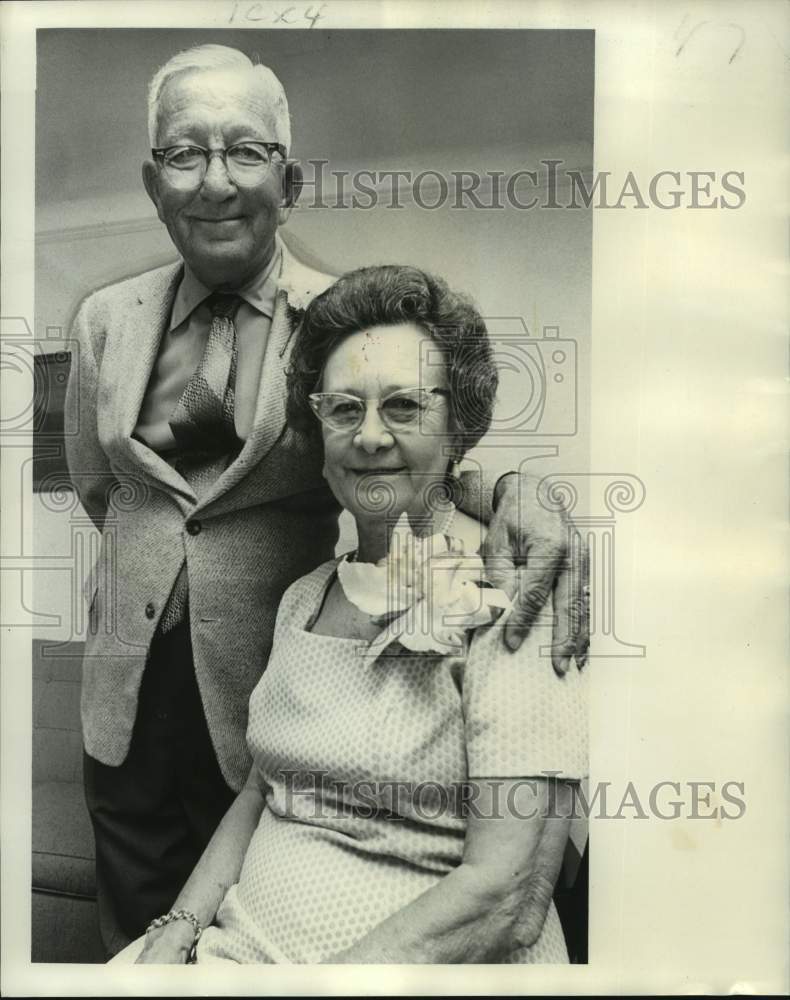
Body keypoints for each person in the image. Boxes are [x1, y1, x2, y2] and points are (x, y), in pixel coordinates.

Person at [64, 44, 588, 958]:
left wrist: (518, 491)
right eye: (184, 154)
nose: (214, 182)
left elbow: (408, 454)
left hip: (276, 684)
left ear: (289, 178)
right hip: (128, 697)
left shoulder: (341, 322)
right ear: (153, 182)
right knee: (145, 932)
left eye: (246, 152)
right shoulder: (105, 321)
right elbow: (101, 486)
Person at [127, 265, 587, 965]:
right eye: (344, 408)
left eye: (404, 407)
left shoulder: (514, 597)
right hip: (238, 954)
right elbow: (261, 789)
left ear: (458, 426)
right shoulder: (304, 598)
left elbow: (506, 895)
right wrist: (178, 928)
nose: (369, 436)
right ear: (319, 432)